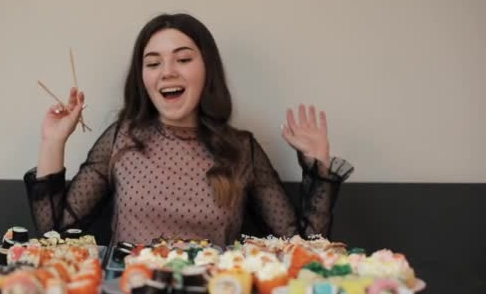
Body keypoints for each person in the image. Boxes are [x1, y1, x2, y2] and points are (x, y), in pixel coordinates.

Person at [24, 13, 353, 248]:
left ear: (206, 70)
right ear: (143, 79)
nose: (167, 72)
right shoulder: (119, 138)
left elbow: (306, 250)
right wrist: (53, 142)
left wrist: (318, 164)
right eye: (153, 63)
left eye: (182, 59)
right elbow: (52, 233)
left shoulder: (242, 149)